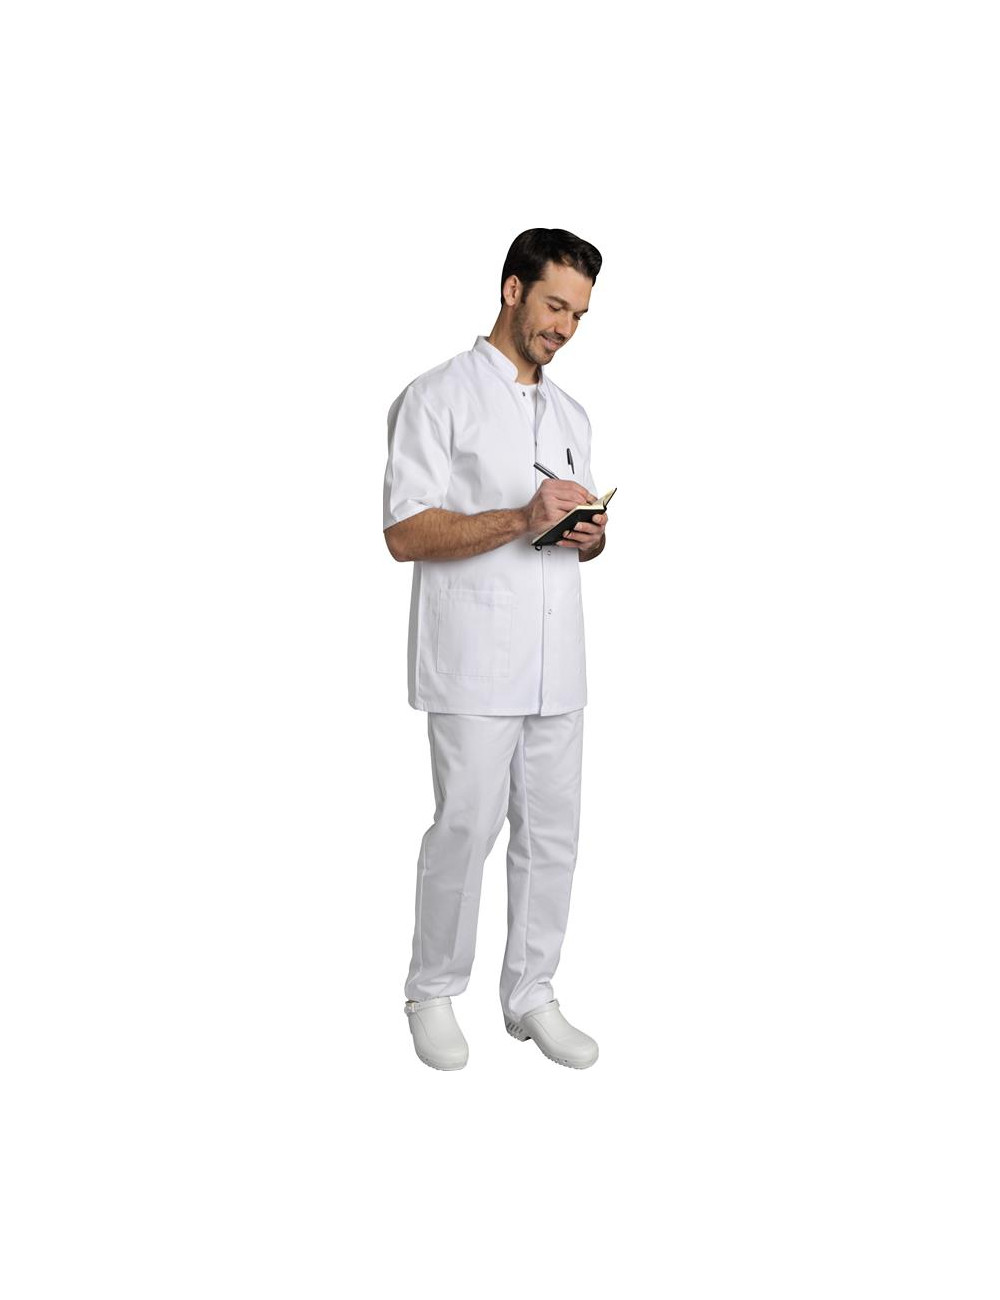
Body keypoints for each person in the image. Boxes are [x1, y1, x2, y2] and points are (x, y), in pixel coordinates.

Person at [382, 228, 608, 1071]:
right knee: (466, 829)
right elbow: (405, 532)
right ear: (512, 289)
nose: (564, 328)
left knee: (553, 837)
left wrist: (590, 536)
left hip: (558, 663)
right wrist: (521, 518)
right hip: (474, 661)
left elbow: (571, 533)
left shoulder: (572, 413)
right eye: (554, 305)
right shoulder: (436, 397)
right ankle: (433, 989)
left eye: (578, 315)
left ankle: (531, 993)